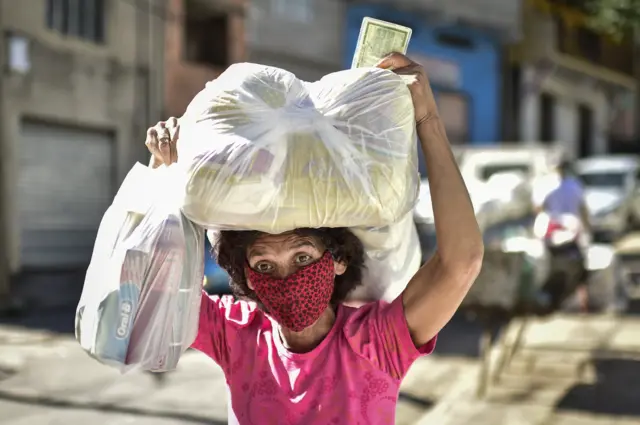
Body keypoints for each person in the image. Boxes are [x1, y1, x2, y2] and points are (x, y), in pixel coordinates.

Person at [145, 52, 483, 424]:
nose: (286, 279)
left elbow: (460, 262)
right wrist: (162, 171)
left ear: (338, 259)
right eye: (264, 265)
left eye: (303, 258)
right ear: (245, 275)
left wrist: (429, 122)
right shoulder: (238, 335)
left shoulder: (374, 342)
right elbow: (148, 288)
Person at [539, 159, 591, 311]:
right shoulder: (575, 185)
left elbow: (539, 208)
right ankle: (578, 299)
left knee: (551, 267)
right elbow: (583, 209)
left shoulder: (547, 186)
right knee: (579, 268)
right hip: (571, 232)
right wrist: (587, 229)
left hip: (554, 233)